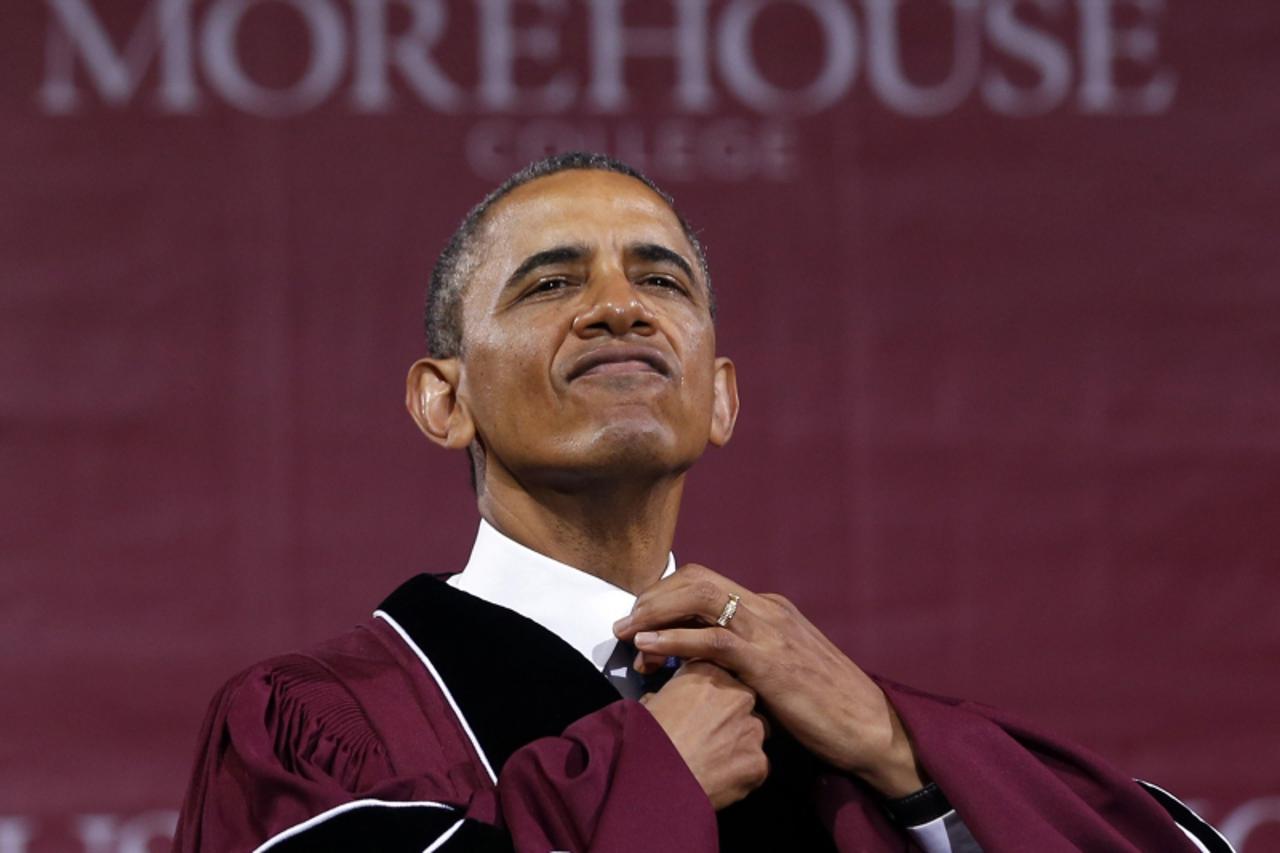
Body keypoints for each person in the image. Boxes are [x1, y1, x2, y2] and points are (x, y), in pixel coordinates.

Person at [173, 153, 1231, 852]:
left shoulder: (837, 726)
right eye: (549, 283)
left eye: (661, 282)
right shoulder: (321, 722)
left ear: (718, 397)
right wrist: (645, 778)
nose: (617, 308)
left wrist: (903, 754)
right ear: (444, 399)